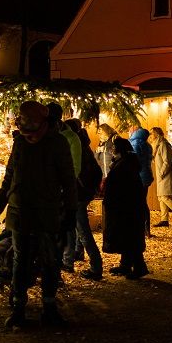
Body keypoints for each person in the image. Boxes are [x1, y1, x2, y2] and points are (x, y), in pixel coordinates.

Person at [0, 101, 78, 328]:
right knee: (20, 262)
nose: (29, 135)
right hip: (20, 213)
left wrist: (70, 210)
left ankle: (49, 308)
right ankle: (19, 308)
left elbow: (69, 180)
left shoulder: (57, 143)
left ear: (43, 124)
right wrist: (0, 203)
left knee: (50, 261)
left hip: (47, 213)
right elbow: (10, 174)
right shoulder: (20, 143)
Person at [103, 136, 149, 279]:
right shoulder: (127, 162)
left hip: (126, 207)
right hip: (128, 206)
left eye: (113, 147)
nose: (111, 150)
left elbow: (120, 186)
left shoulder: (125, 165)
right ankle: (126, 264)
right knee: (127, 236)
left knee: (130, 236)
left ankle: (139, 267)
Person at [62, 119, 103, 281]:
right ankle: (72, 257)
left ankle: (96, 266)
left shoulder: (75, 147)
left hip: (78, 194)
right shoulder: (84, 146)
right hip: (84, 193)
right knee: (74, 227)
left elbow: (74, 172)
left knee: (82, 229)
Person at [47, 103, 81, 274]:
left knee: (67, 229)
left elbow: (74, 169)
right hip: (47, 195)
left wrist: (63, 188)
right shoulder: (42, 135)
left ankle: (66, 261)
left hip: (62, 193)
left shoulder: (70, 138)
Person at [150, 127, 172, 228]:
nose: (150, 136)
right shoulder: (157, 145)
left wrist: (162, 172)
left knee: (164, 196)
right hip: (162, 175)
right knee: (161, 197)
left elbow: (167, 161)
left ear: (157, 134)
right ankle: (164, 219)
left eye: (152, 133)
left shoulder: (163, 144)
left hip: (166, 174)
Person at [128, 124, 155, 235]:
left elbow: (133, 161)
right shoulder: (147, 145)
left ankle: (141, 228)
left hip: (138, 177)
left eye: (130, 129)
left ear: (135, 131)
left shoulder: (135, 143)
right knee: (142, 202)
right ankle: (146, 228)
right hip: (146, 176)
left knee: (138, 202)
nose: (129, 131)